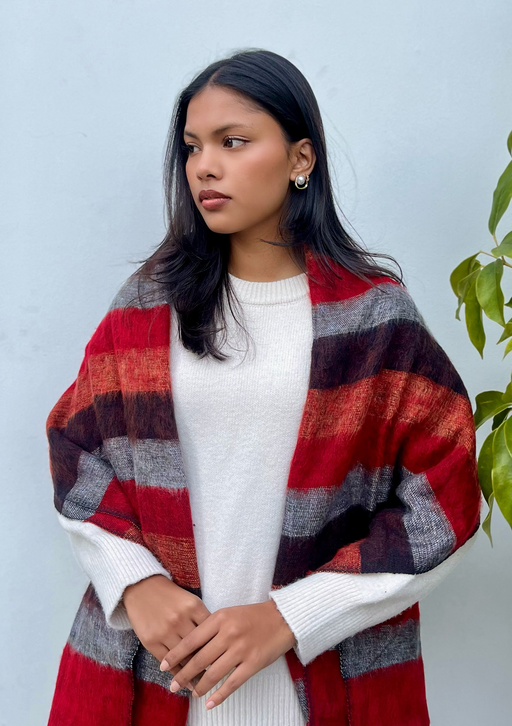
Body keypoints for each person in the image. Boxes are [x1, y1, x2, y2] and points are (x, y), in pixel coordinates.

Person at [45, 48, 481, 726]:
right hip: (157, 673)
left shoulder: (374, 319)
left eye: (233, 141)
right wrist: (135, 583)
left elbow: (444, 497)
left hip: (323, 685)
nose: (204, 167)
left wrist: (292, 616)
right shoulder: (147, 307)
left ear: (301, 159)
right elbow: (76, 450)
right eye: (192, 147)